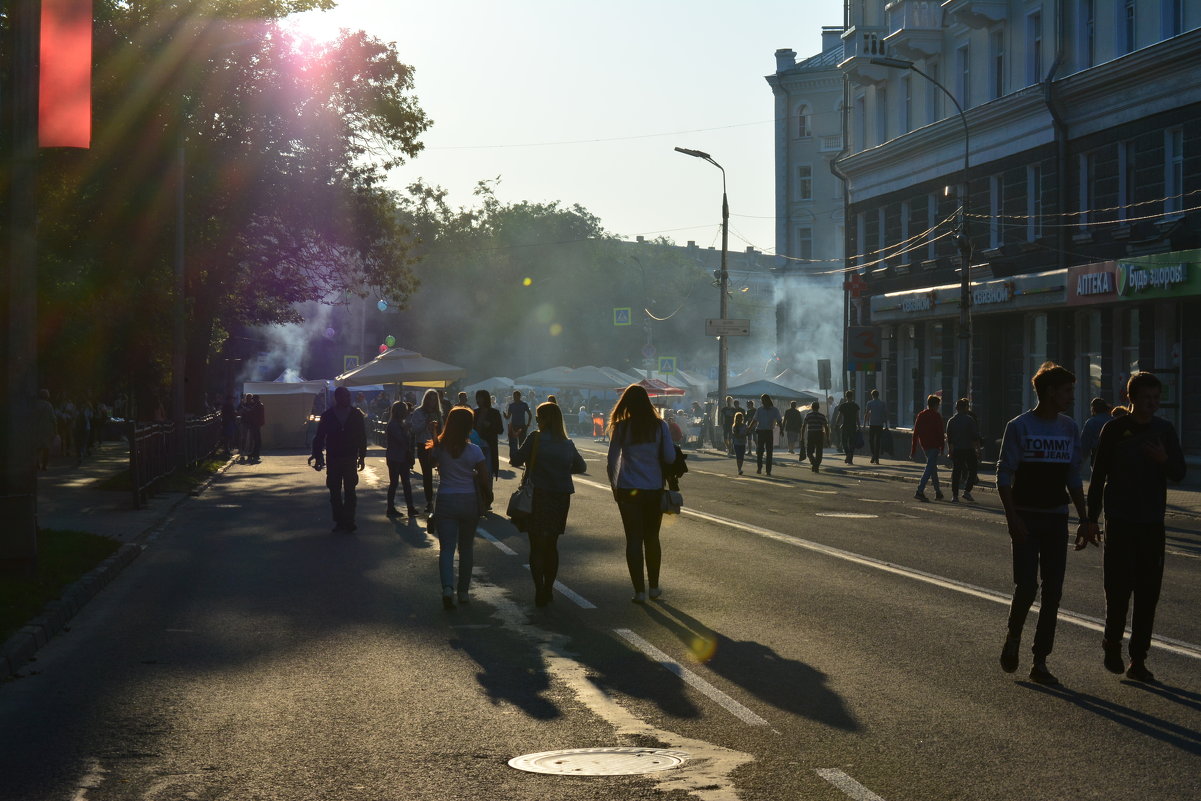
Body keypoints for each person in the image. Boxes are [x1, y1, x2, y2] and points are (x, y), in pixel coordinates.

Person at [997, 362, 1098, 686]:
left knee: (1053, 592)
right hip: (1026, 517)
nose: (1071, 396)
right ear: (1050, 392)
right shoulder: (1020, 426)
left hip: (1057, 518)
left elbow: (1073, 476)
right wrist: (1012, 518)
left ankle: (1040, 660)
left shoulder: (1069, 428)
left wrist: (1085, 519)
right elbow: (1004, 474)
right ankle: (1013, 637)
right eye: (1067, 391)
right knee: (1027, 586)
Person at [1087, 372, 1186, 682]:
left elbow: (1180, 472)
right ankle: (1112, 641)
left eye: (1157, 398)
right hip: (1120, 521)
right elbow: (1098, 475)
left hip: (1151, 523)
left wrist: (1163, 459)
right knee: (1118, 589)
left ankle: (1138, 659)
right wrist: (1090, 519)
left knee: (1148, 593)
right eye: (1147, 398)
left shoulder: (1164, 430)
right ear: (1131, 398)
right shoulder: (1114, 429)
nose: (1153, 404)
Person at [512, 402, 587, 606]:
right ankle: (548, 588)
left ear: (545, 419)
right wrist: (561, 471)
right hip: (561, 497)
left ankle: (539, 589)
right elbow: (581, 466)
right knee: (552, 545)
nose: (536, 421)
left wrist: (514, 440)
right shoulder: (567, 443)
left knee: (536, 545)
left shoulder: (535, 438)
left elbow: (515, 460)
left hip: (538, 495)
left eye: (538, 417)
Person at [607, 384, 675, 603]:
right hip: (653, 489)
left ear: (626, 404)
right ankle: (654, 587)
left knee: (633, 540)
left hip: (628, 490)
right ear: (647, 402)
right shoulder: (660, 426)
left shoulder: (621, 427)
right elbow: (670, 458)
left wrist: (614, 487)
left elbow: (611, 462)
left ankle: (639, 591)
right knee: (652, 538)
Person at [430, 406, 492, 609]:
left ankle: (447, 588)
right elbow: (484, 477)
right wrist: (487, 495)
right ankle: (464, 591)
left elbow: (431, 459)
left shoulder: (441, 449)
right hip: (469, 501)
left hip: (446, 500)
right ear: (469, 426)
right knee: (466, 548)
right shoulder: (474, 450)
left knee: (446, 548)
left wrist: (435, 435)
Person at [309, 386, 368, 533]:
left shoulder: (356, 415)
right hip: (334, 457)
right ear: (337, 398)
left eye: (348, 396)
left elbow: (362, 436)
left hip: (349, 456)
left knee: (350, 491)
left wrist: (362, 456)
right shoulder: (328, 415)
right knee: (334, 491)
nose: (346, 399)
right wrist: (317, 456)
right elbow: (320, 437)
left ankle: (349, 520)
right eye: (343, 397)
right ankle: (339, 521)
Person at [409, 389, 443, 514]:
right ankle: (429, 501)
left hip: (437, 445)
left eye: (434, 399)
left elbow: (442, 430)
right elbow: (415, 430)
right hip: (423, 445)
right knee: (427, 474)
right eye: (430, 398)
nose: (432, 401)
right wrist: (426, 422)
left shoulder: (438, 413)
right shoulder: (419, 412)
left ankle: (441, 499)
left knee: (443, 472)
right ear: (425, 399)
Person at [385, 401, 418, 519]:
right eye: (404, 410)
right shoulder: (393, 425)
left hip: (402, 457)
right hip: (395, 457)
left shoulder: (401, 423)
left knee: (406, 483)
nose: (407, 412)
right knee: (394, 483)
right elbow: (401, 440)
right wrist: (405, 430)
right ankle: (390, 508)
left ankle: (410, 507)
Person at [945, 397, 981, 503]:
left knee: (956, 472)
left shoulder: (951, 421)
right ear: (965, 408)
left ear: (956, 408)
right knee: (973, 470)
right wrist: (978, 450)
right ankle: (967, 491)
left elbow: (949, 439)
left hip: (957, 450)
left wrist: (950, 451)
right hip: (969, 449)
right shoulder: (970, 420)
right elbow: (975, 437)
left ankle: (955, 496)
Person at [910, 395, 945, 501]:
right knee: (929, 468)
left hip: (924, 445)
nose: (938, 407)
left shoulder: (921, 415)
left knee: (933, 468)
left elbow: (915, 433)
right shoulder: (936, 416)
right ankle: (919, 490)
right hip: (934, 445)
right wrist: (942, 447)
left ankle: (938, 491)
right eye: (938, 405)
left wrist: (913, 449)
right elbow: (940, 432)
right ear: (935, 405)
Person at [474, 390, 504, 482]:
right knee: (475, 476)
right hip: (475, 447)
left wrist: (490, 425)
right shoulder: (475, 412)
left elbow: (500, 430)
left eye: (480, 398)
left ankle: (487, 494)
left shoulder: (494, 413)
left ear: (486, 399)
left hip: (489, 447)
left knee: (487, 474)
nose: (478, 400)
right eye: (477, 398)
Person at [1079, 397, 1113, 471]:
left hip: (1097, 456)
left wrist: (1080, 462)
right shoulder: (1112, 420)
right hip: (1113, 455)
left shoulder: (1091, 422)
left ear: (1093, 409)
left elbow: (1085, 444)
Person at [753, 394, 783, 475]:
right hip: (761, 431)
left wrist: (782, 429)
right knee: (760, 451)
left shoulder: (774, 410)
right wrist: (749, 429)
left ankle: (768, 470)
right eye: (762, 400)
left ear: (768, 400)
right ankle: (759, 468)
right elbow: (754, 420)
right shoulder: (759, 410)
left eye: (764, 400)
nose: (762, 402)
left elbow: (779, 420)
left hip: (769, 432)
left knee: (769, 452)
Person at [801, 400, 828, 472]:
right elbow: (826, 427)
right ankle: (816, 465)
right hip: (819, 434)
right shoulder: (822, 416)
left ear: (812, 407)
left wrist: (802, 436)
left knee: (809, 452)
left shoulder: (808, 415)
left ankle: (814, 463)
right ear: (818, 407)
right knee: (819, 452)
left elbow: (803, 426)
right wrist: (828, 437)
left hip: (811, 434)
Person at [504, 390, 531, 459]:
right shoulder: (512, 405)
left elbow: (530, 414)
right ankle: (514, 458)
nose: (515, 398)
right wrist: (505, 415)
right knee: (513, 444)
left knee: (521, 443)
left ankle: (520, 458)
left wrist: (528, 424)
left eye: (516, 396)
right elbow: (508, 417)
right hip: (514, 426)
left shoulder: (523, 404)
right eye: (514, 396)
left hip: (521, 426)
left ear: (519, 396)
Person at [864, 389, 889, 464]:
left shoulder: (869, 403)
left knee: (871, 441)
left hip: (872, 424)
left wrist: (865, 424)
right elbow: (885, 414)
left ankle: (874, 456)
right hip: (880, 424)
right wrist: (886, 424)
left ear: (872, 395)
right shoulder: (882, 403)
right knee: (878, 441)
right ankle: (876, 457)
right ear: (878, 395)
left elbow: (866, 413)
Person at [836, 390, 861, 464]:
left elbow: (839, 416)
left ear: (846, 397)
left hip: (845, 426)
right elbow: (857, 417)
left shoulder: (843, 406)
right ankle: (850, 458)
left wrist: (837, 424)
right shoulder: (855, 406)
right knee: (852, 443)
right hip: (853, 426)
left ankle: (848, 455)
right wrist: (859, 426)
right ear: (852, 396)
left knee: (844, 442)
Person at [35, 389, 56, 471]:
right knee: (46, 449)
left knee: (37, 449)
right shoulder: (49, 406)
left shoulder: (35, 404)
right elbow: (53, 419)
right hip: (47, 430)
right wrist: (55, 430)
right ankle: (44, 465)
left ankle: (36, 463)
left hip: (36, 429)